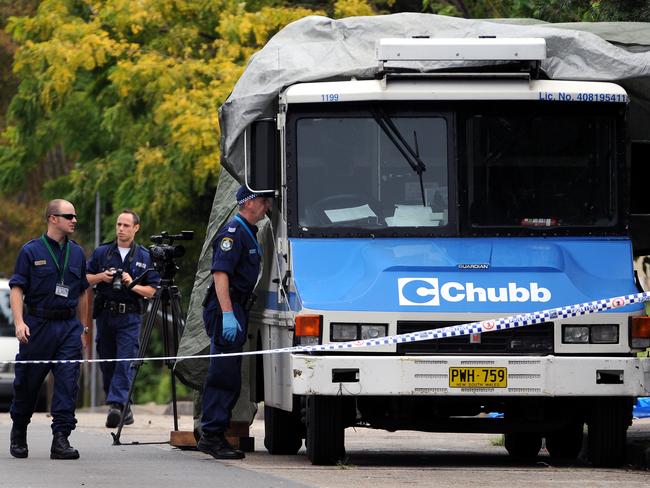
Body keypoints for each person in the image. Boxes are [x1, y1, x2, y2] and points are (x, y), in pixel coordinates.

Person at [9, 199, 90, 460]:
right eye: (69, 216)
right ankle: (19, 430)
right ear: (53, 219)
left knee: (68, 382)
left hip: (68, 326)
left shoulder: (77, 253)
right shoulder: (31, 251)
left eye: (75, 216)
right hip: (39, 326)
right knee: (28, 383)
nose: (74, 220)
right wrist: (20, 322)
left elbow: (82, 293)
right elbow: (17, 289)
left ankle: (61, 439)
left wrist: (84, 327)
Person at [197, 186, 272, 460]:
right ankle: (212, 435)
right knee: (223, 374)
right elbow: (220, 275)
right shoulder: (232, 233)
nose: (266, 206)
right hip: (226, 308)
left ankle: (217, 432)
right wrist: (228, 314)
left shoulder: (249, 231)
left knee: (230, 374)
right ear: (249, 202)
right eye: (263, 200)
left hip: (237, 306)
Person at [86, 209, 159, 428]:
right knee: (106, 361)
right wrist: (102, 277)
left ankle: (116, 405)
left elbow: (153, 291)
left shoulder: (145, 257)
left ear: (136, 228)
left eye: (126, 225)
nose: (121, 229)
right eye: (119, 224)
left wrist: (132, 283)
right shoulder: (102, 253)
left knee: (124, 361)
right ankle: (123, 406)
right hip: (106, 315)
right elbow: (85, 279)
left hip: (130, 316)